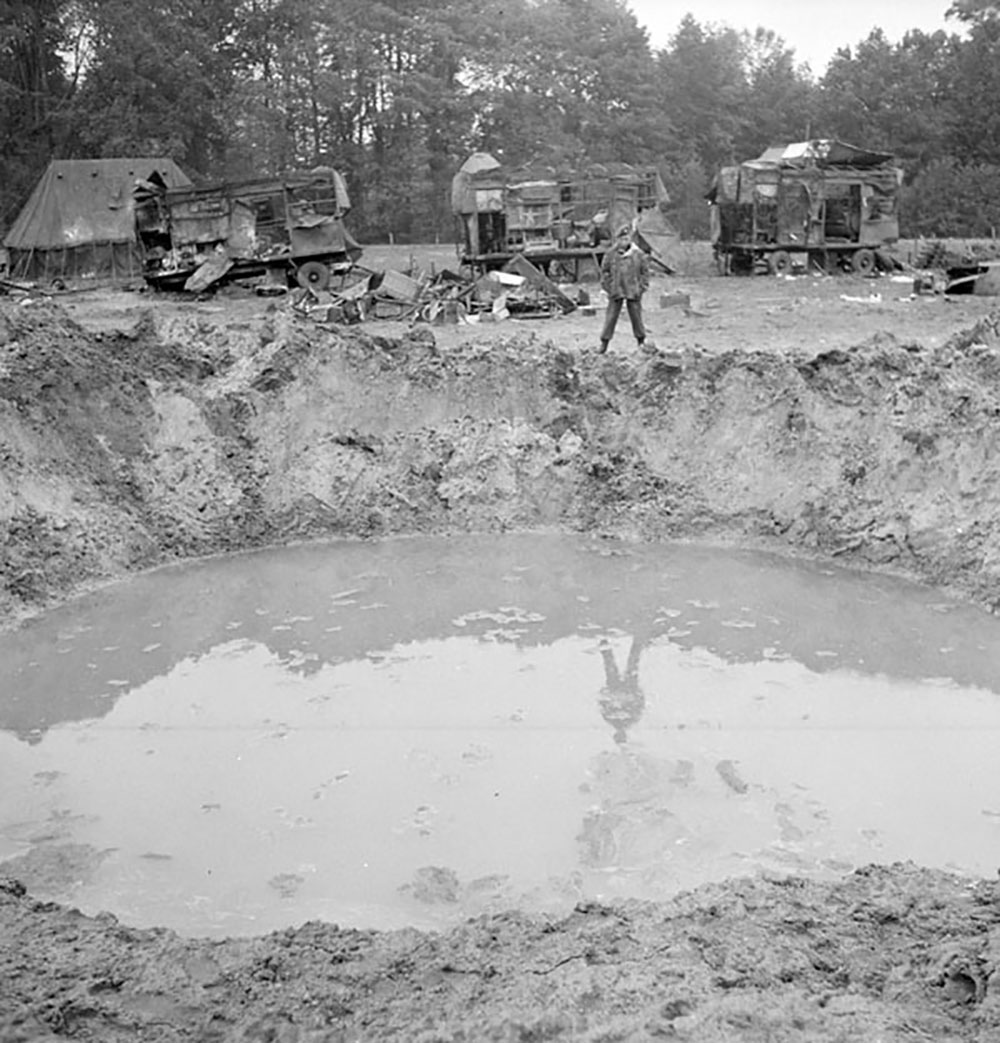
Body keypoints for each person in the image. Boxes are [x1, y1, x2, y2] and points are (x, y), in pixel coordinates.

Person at [598, 224, 649, 352]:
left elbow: (645, 273)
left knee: (636, 317)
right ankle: (604, 343)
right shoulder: (610, 254)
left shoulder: (638, 254)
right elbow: (604, 272)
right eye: (621, 239)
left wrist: (641, 287)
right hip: (616, 290)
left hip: (633, 291)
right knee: (610, 317)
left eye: (626, 238)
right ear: (617, 240)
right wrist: (609, 287)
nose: (624, 242)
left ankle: (641, 342)